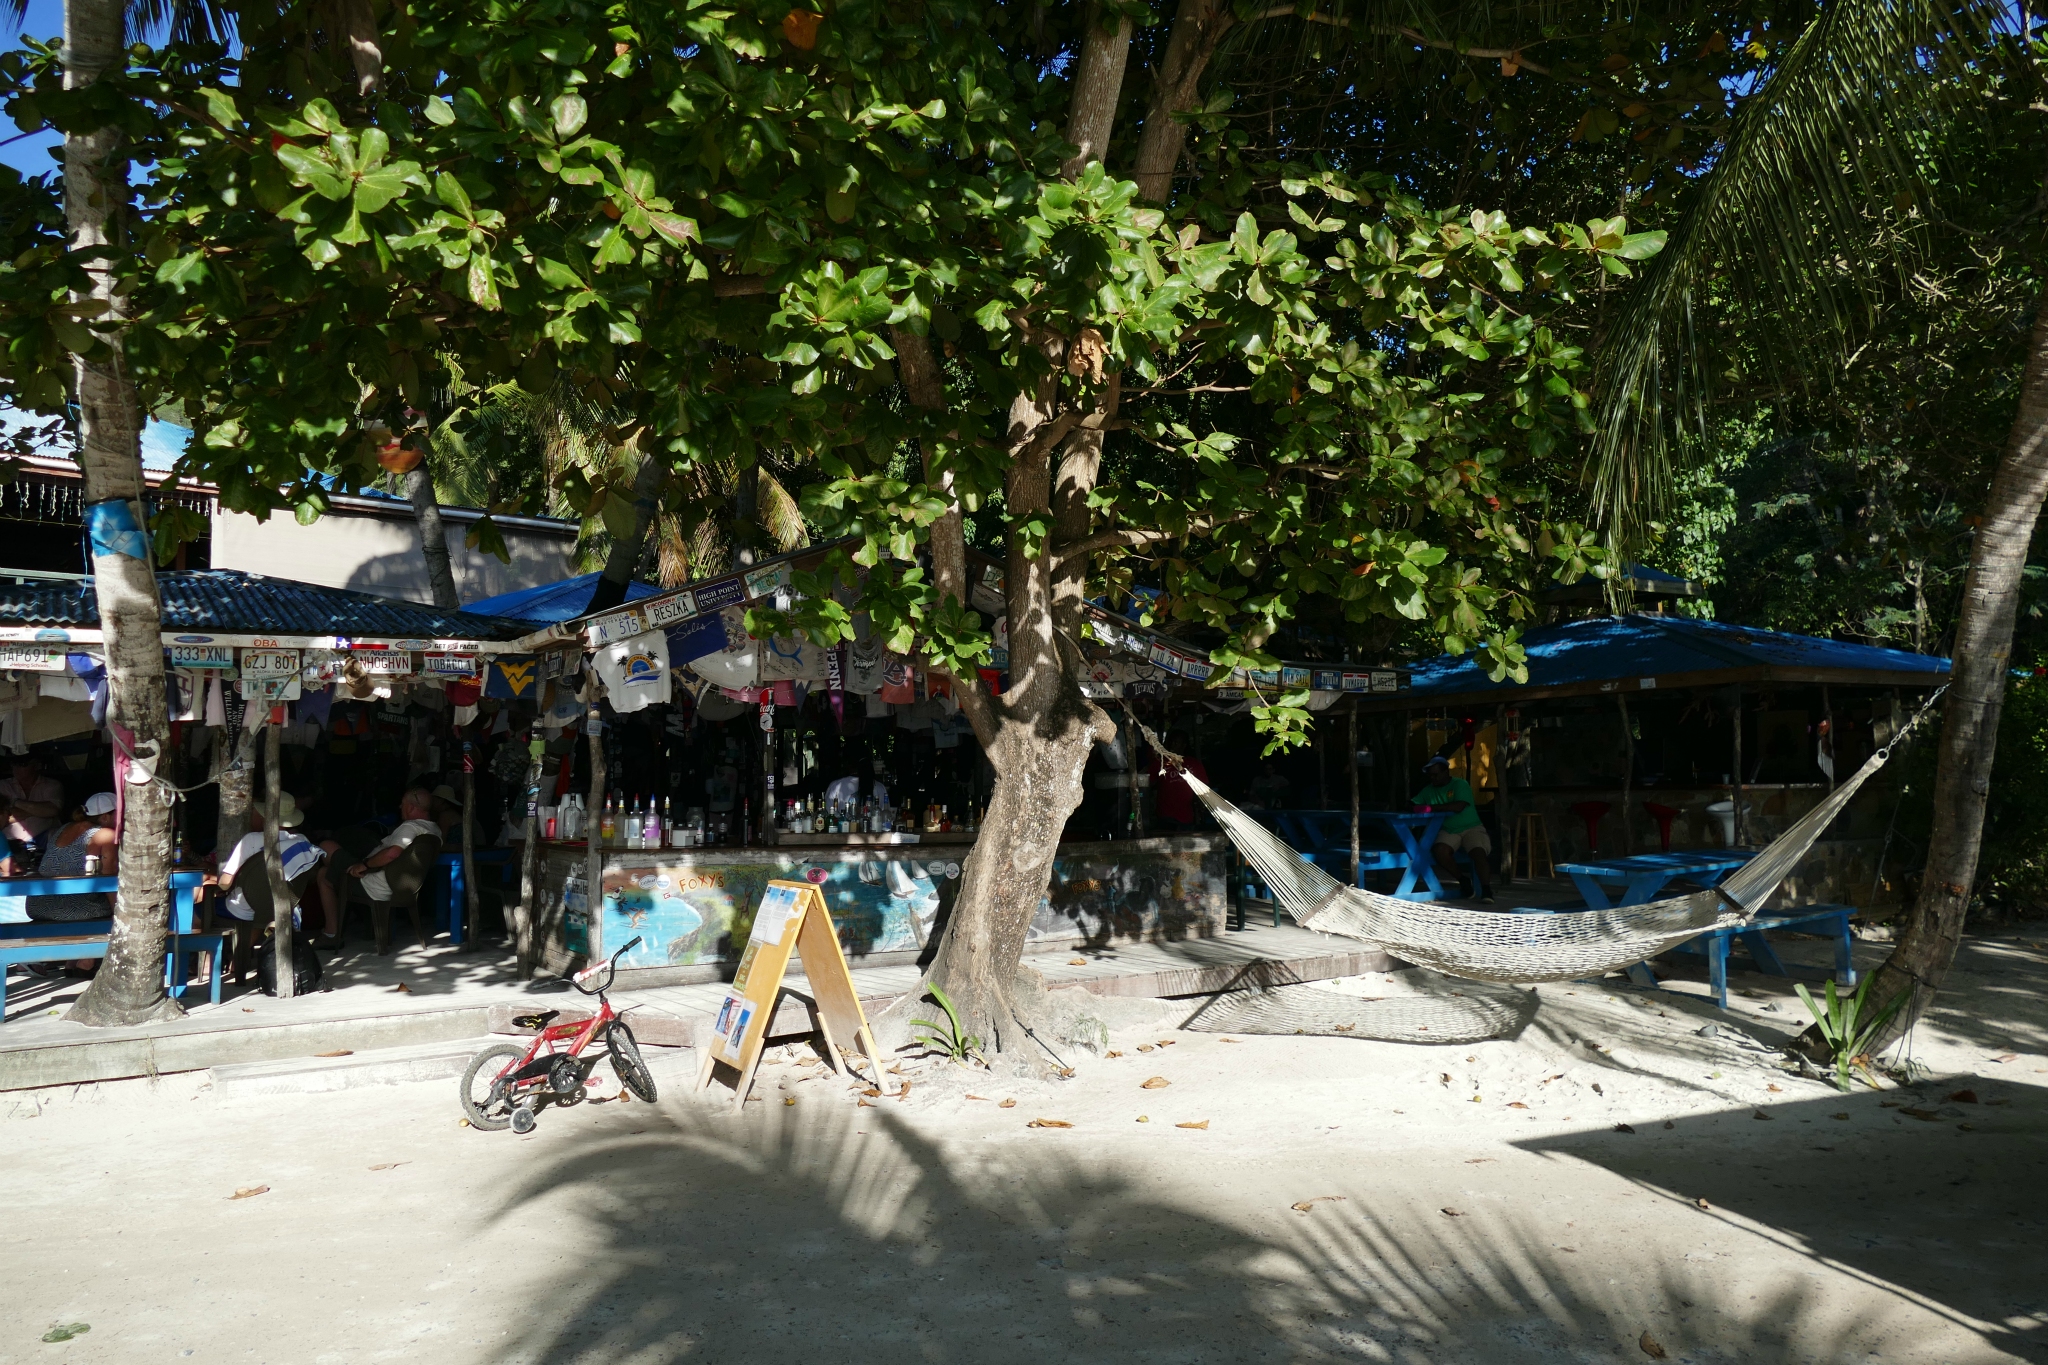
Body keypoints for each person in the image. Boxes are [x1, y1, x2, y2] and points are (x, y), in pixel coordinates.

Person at [22, 793, 119, 973]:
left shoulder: (63, 829)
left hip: (39, 904)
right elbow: (109, 878)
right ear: (105, 817)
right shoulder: (106, 834)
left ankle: (72, 962)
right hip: (71, 907)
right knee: (111, 906)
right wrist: (119, 914)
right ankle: (86, 962)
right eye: (120, 813)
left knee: (91, 899)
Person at [217, 794, 333, 942]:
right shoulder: (301, 843)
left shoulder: (250, 839)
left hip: (244, 908)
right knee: (264, 904)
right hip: (282, 905)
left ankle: (212, 959)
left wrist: (220, 887)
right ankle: (243, 953)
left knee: (197, 913)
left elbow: (225, 882)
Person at [322, 787, 439, 925]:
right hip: (400, 888)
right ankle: (356, 913)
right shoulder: (435, 830)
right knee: (329, 872)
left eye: (403, 803)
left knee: (325, 850)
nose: (400, 806)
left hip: (373, 884)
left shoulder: (410, 826)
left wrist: (364, 865)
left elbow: (393, 853)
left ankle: (332, 932)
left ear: (411, 807)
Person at [1414, 754, 1493, 902]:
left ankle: (1486, 890)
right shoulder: (1428, 790)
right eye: (1430, 776)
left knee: (1478, 852)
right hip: (1448, 829)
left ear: (1446, 772)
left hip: (1471, 827)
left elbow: (1458, 806)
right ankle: (1462, 880)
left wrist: (1430, 808)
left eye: (1436, 775)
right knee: (1440, 851)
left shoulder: (1460, 784)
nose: (1433, 778)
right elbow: (1414, 804)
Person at [0, 754, 66, 871]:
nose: (16, 768)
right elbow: (5, 815)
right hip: (10, 844)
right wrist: (40, 810)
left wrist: (14, 802)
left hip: (45, 843)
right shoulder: (3, 785)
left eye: (22, 764)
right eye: (13, 764)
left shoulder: (52, 785)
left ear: (36, 765)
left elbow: (53, 810)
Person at [1147, 731, 1209, 830]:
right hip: (1165, 815)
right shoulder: (1160, 763)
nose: (1173, 745)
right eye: (1171, 742)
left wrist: (1201, 807)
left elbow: (1204, 788)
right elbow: (1147, 784)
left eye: (1177, 742)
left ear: (1184, 745)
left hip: (1186, 816)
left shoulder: (1193, 763)